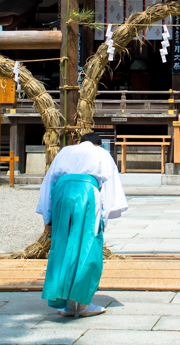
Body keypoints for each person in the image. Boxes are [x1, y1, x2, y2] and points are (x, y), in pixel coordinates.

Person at [36, 132, 128, 318]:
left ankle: (68, 304)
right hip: (87, 194)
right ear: (99, 144)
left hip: (61, 194)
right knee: (88, 245)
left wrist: (48, 216)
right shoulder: (101, 153)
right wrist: (104, 216)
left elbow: (49, 181)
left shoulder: (64, 151)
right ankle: (83, 304)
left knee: (62, 246)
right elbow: (109, 184)